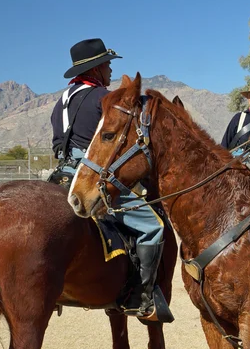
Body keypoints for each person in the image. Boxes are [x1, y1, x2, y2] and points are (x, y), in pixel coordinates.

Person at [50, 38, 166, 318]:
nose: (110, 71)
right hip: (92, 171)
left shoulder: (61, 100)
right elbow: (109, 145)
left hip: (62, 171)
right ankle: (143, 296)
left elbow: (57, 143)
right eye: (107, 65)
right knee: (154, 226)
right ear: (95, 69)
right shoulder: (101, 96)